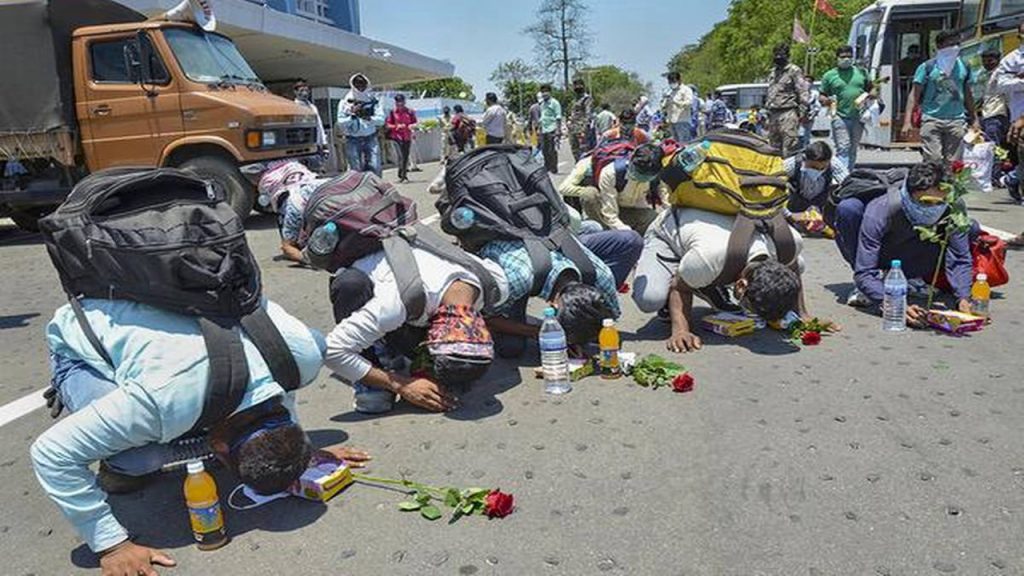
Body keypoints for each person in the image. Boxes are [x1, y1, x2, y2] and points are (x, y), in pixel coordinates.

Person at [32, 297, 366, 576]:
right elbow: (51, 454)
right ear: (217, 448)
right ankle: (69, 385)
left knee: (312, 343)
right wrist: (111, 545)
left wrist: (299, 452)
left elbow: (278, 395)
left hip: (180, 325)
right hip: (85, 330)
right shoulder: (161, 405)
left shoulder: (303, 357)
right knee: (136, 458)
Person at [325, 246, 509, 414]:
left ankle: (394, 346)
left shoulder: (494, 283)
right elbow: (332, 351)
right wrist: (401, 384)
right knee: (350, 285)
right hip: (377, 279)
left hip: (418, 295)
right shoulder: (395, 304)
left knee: (459, 373)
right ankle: (377, 349)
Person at [633, 206, 820, 353]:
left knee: (799, 263)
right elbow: (679, 287)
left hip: (709, 248)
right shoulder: (708, 259)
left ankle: (702, 281)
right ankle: (693, 277)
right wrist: (681, 330)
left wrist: (802, 314)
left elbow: (794, 269)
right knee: (650, 299)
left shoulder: (790, 242)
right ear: (741, 285)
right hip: (668, 234)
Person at [832, 162, 973, 318]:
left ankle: (911, 276)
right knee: (848, 208)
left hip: (917, 249)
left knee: (972, 228)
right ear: (910, 194)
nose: (933, 208)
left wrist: (963, 298)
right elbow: (864, 271)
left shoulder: (954, 207)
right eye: (925, 202)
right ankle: (873, 285)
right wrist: (893, 303)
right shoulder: (881, 209)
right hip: (882, 251)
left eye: (940, 202)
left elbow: (960, 257)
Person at [478, 231, 636, 359]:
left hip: (550, 244)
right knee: (511, 347)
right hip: (502, 251)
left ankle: (588, 229)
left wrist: (578, 339)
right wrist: (538, 331)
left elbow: (610, 320)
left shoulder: (602, 277)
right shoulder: (519, 278)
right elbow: (486, 318)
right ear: (553, 305)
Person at [901, 30, 977, 164]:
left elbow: (968, 95)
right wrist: (907, 122)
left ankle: (948, 178)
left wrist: (974, 119)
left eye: (957, 44)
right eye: (951, 44)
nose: (955, 47)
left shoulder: (964, 66)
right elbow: (914, 95)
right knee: (933, 159)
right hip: (931, 119)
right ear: (939, 46)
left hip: (956, 120)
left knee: (954, 163)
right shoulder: (927, 67)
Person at [557, 143, 666, 233]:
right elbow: (610, 213)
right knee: (589, 194)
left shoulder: (655, 170)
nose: (640, 179)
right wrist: (623, 230)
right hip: (605, 207)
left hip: (627, 208)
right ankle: (603, 231)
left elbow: (666, 199)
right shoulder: (611, 172)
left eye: (645, 178)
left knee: (652, 218)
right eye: (638, 175)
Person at [820, 46, 873, 169]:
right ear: (837, 58)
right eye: (843, 57)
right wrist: (826, 101)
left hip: (859, 116)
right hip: (839, 116)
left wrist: (871, 95)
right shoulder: (829, 75)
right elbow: (822, 95)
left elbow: (871, 88)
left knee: (853, 148)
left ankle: (849, 171)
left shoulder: (862, 72)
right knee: (843, 147)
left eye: (849, 56)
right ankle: (842, 176)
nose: (846, 59)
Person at [783, 141, 849, 235]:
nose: (818, 170)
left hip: (822, 201)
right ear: (805, 158)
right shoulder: (791, 164)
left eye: (823, 168)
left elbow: (847, 185)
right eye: (813, 167)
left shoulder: (834, 163)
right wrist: (789, 214)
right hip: (795, 202)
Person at [766, 43, 809, 157]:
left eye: (781, 55)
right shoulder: (773, 72)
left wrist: (803, 112)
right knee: (773, 149)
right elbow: (770, 92)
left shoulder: (794, 70)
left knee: (789, 147)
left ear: (787, 55)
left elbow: (802, 91)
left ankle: (789, 168)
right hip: (773, 113)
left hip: (788, 112)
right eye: (776, 54)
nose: (778, 57)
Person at [337, 73, 384, 176]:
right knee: (355, 169)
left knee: (375, 166)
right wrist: (352, 115)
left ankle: (375, 185)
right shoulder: (345, 103)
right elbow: (341, 123)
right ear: (352, 85)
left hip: (370, 137)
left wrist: (369, 118)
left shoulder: (373, 101)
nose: (360, 87)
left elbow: (381, 120)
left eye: (363, 84)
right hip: (352, 139)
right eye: (357, 84)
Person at [978, 48, 1010, 184]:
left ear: (997, 60)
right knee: (991, 146)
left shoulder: (1000, 74)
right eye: (984, 61)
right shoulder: (986, 75)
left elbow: (1007, 95)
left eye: (990, 60)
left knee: (993, 147)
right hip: (987, 115)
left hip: (996, 115)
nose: (986, 63)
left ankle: (995, 176)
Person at [293, 79, 329, 171]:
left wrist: (324, 142)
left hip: (316, 144)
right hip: (301, 146)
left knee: (317, 169)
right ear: (295, 92)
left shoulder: (313, 107)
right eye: (301, 90)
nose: (304, 93)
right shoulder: (293, 107)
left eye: (306, 90)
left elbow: (319, 125)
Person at [385, 94, 417, 183]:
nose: (400, 104)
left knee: (405, 156)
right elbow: (388, 125)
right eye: (398, 102)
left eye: (401, 101)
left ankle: (403, 175)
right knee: (400, 156)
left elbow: (415, 122)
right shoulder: (392, 112)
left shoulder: (410, 112)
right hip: (396, 137)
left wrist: (411, 126)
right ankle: (402, 175)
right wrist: (396, 126)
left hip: (407, 136)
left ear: (404, 102)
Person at [660, 71, 694, 142]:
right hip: (671, 122)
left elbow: (689, 103)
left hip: (682, 121)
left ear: (679, 80)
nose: (672, 83)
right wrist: (665, 102)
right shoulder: (670, 92)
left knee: (683, 143)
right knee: (675, 144)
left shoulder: (686, 90)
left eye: (673, 81)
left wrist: (677, 102)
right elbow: (664, 106)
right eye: (670, 82)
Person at [538, 84, 563, 174]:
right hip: (544, 129)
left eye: (546, 91)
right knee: (544, 149)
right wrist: (539, 129)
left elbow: (558, 117)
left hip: (552, 128)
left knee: (551, 150)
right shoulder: (542, 104)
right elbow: (542, 117)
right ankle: (547, 166)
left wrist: (558, 130)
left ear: (550, 92)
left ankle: (553, 167)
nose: (544, 94)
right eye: (542, 92)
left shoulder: (555, 103)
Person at [568, 78, 594, 160]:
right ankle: (577, 164)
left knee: (584, 149)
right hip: (573, 128)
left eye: (579, 86)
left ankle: (584, 165)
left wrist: (584, 129)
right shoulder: (575, 99)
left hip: (582, 128)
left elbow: (588, 115)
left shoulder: (587, 99)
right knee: (574, 149)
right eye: (575, 86)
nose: (577, 88)